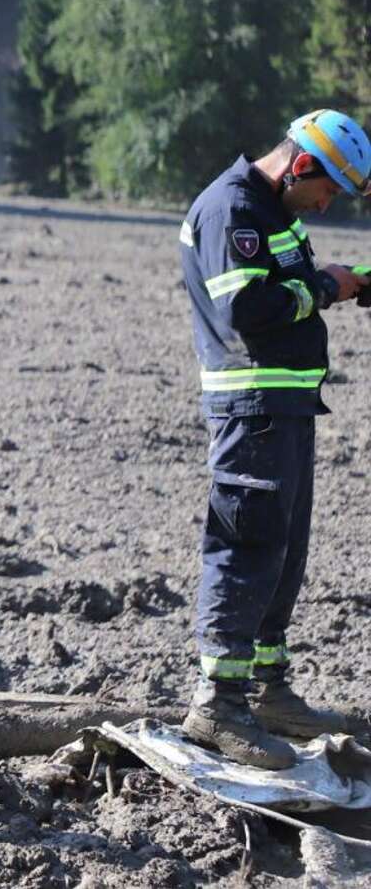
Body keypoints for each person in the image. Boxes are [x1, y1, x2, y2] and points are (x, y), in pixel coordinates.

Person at [177, 109, 371, 768]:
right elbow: (248, 307)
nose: (327, 205)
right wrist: (323, 286)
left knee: (282, 551)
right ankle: (218, 706)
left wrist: (351, 284)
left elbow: (287, 290)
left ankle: (267, 688)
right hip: (251, 405)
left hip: (284, 403)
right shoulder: (231, 209)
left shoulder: (273, 210)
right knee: (247, 545)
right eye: (329, 191)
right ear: (302, 166)